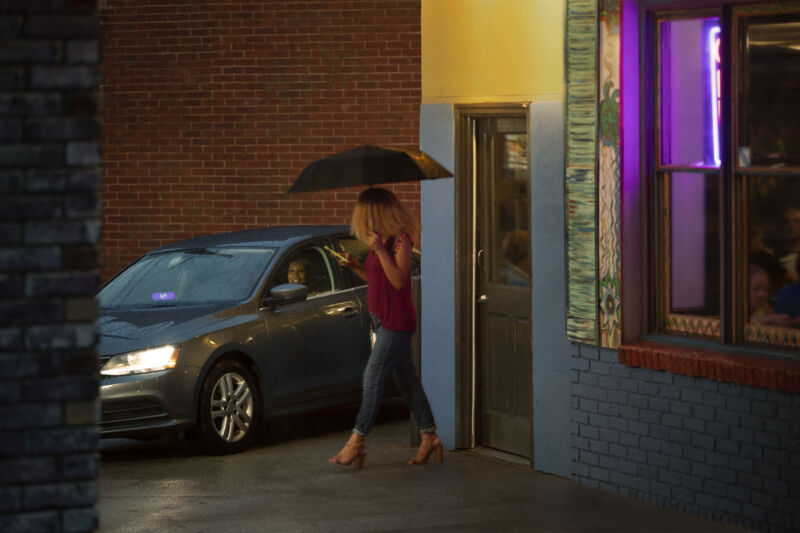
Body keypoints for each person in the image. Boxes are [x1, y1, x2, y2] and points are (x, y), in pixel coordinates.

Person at [328, 187, 442, 469]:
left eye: (370, 214)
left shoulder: (400, 241)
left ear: (382, 212)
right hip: (381, 318)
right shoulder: (381, 242)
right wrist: (355, 265)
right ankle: (430, 436)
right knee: (407, 381)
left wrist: (379, 250)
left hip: (397, 323)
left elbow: (400, 281)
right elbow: (376, 278)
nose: (367, 220)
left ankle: (357, 441)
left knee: (372, 377)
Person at [748, 263, 791, 328]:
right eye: (756, 289)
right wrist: (766, 320)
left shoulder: (764, 308)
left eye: (766, 290)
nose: (762, 294)